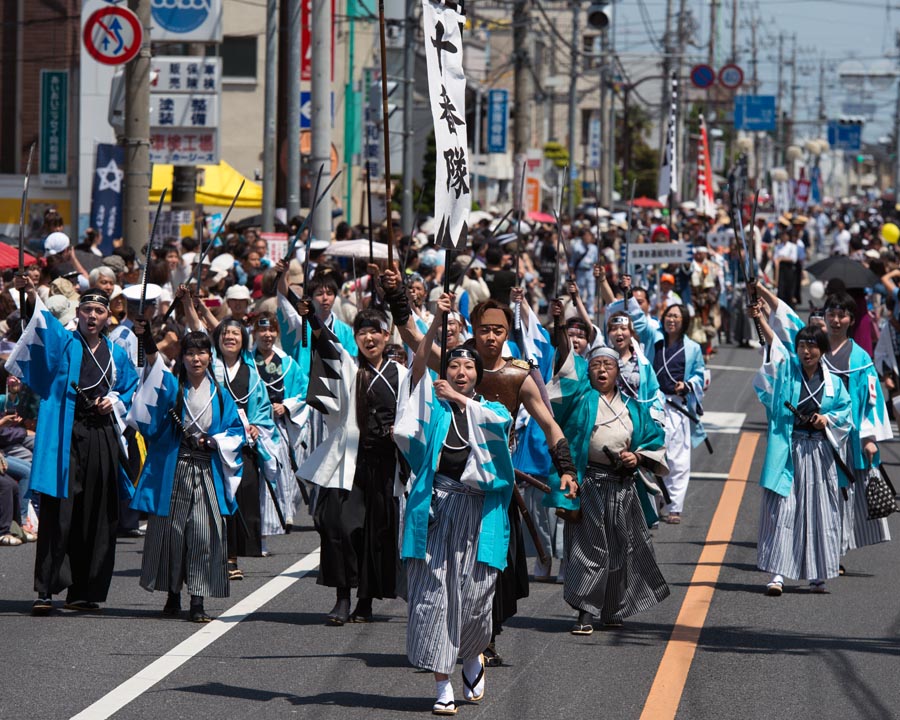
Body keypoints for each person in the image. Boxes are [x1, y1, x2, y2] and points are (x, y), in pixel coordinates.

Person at [385, 272, 577, 666]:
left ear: (509, 332)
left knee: (493, 569)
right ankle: (447, 638)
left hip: (496, 485)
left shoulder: (518, 375)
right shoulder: (457, 362)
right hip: (449, 484)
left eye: (499, 330)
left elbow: (550, 423)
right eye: (485, 329)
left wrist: (566, 469)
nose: (491, 337)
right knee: (444, 569)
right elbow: (411, 336)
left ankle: (483, 639)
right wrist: (396, 293)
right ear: (474, 329)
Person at [395, 297, 514, 715]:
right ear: (443, 373)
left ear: (477, 377)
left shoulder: (491, 410)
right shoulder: (431, 408)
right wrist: (436, 323)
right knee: (433, 598)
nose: (460, 373)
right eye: (453, 367)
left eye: (468, 369)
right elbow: (415, 370)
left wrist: (463, 402)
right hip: (435, 511)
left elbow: (499, 428)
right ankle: (441, 684)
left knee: (478, 600)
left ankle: (470, 655)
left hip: (479, 517)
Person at [6, 279, 138, 614]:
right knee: (58, 512)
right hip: (66, 434)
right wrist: (29, 293)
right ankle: (46, 590)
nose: (92, 316)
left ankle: (84, 589)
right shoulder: (64, 343)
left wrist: (115, 400)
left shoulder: (117, 353)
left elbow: (129, 387)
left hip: (101, 435)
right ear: (77, 313)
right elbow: (38, 324)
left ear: (108, 317)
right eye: (87, 310)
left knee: (96, 513)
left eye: (99, 311)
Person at [293, 299, 405, 625]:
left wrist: (403, 431)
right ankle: (342, 596)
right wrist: (311, 316)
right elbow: (328, 343)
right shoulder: (350, 366)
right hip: (350, 461)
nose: (369, 338)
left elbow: (416, 415)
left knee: (376, 533)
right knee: (338, 524)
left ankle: (365, 601)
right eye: (362, 332)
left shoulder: (401, 373)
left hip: (385, 462)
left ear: (387, 336)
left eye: (376, 332)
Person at [548, 334, 668, 634]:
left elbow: (653, 438)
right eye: (596, 365)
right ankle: (586, 611)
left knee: (621, 548)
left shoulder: (633, 406)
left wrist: (636, 457)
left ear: (618, 371)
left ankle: (612, 608)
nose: (602, 370)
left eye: (608, 365)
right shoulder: (580, 399)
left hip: (623, 486)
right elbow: (565, 366)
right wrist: (560, 328)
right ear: (589, 371)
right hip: (590, 484)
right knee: (590, 548)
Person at [128, 322, 244, 622]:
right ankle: (172, 594)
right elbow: (153, 369)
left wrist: (213, 440)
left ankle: (198, 599)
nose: (196, 359)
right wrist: (148, 338)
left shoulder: (219, 394)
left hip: (206, 468)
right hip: (176, 468)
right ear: (182, 357)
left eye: (202, 353)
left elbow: (235, 430)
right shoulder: (171, 387)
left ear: (210, 357)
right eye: (190, 353)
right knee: (173, 533)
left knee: (205, 535)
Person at [750, 305, 851, 595]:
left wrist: (827, 419)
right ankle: (778, 573)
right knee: (782, 510)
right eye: (802, 346)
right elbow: (775, 346)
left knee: (819, 511)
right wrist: (759, 319)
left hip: (819, 453)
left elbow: (846, 411)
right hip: (789, 448)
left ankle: (818, 573)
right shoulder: (788, 371)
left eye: (811, 346)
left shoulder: (833, 382)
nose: (806, 352)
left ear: (822, 350)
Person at [211, 318, 283, 575]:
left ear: (243, 340)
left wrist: (256, 426)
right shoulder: (210, 368)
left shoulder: (252, 374)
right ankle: (215, 554)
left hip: (244, 444)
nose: (230, 337)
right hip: (214, 442)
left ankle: (232, 558)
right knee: (216, 499)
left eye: (235, 334)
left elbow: (262, 409)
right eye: (225, 333)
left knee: (241, 497)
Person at [652, 303, 707, 524]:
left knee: (678, 458)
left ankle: (675, 506)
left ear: (684, 321)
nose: (671, 320)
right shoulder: (655, 340)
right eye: (668, 315)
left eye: (676, 316)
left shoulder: (692, 348)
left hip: (678, 406)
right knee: (654, 454)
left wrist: (688, 384)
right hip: (654, 404)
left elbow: (700, 374)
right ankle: (655, 503)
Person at [252, 312, 308, 518]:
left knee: (284, 469)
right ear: (254, 333)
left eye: (271, 330)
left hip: (281, 425)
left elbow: (303, 392)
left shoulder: (289, 364)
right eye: (262, 330)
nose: (267, 334)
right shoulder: (246, 362)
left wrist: (286, 406)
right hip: (255, 426)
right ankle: (265, 517)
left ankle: (284, 513)